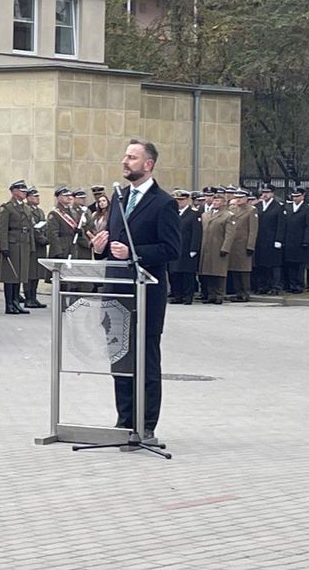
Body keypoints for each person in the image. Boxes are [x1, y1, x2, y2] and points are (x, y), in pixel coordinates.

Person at [91, 139, 181, 440]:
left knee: (145, 359)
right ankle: (124, 420)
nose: (125, 161)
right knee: (120, 359)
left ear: (148, 164)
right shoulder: (119, 198)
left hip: (146, 295)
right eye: (125, 156)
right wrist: (100, 248)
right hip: (116, 293)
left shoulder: (164, 203)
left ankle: (146, 424)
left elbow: (171, 249)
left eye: (132, 157)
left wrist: (132, 252)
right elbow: (113, 244)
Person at [0, 180, 31, 315]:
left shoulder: (25, 207)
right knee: (10, 276)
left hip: (23, 244)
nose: (24, 193)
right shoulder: (7, 208)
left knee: (19, 276)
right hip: (12, 244)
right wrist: (3, 247)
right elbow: (2, 229)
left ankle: (16, 302)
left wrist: (31, 245)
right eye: (22, 191)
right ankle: (9, 304)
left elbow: (29, 229)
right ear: (14, 192)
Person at [198, 190, 233, 304]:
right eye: (214, 200)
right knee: (207, 272)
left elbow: (230, 234)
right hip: (206, 247)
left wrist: (225, 248)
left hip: (218, 247)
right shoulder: (205, 215)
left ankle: (219, 295)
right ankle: (210, 294)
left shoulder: (227, 215)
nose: (215, 202)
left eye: (218, 200)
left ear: (223, 203)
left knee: (219, 273)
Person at [168, 190, 201, 305]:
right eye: (177, 200)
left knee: (187, 274)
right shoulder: (173, 213)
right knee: (174, 273)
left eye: (181, 200)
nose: (178, 202)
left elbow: (196, 232)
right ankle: (178, 296)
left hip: (187, 248)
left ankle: (187, 297)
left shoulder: (193, 213)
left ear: (187, 200)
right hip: (175, 247)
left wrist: (194, 248)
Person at [226, 190, 258, 302]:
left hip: (243, 245)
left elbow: (253, 230)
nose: (238, 199)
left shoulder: (251, 210)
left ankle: (245, 293)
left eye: (241, 197)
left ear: (246, 198)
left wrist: (250, 246)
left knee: (243, 270)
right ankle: (238, 292)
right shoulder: (232, 209)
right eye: (237, 197)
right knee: (234, 269)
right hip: (233, 245)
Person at [252, 184, 285, 295]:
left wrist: (279, 240)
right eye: (263, 192)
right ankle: (263, 286)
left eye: (267, 192)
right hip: (260, 240)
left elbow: (281, 225)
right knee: (261, 264)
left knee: (274, 265)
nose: (264, 194)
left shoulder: (278, 206)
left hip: (272, 240)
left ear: (272, 193)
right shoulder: (258, 206)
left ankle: (276, 286)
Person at [24, 187, 48, 309]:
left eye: (38, 196)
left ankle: (34, 297)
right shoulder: (27, 210)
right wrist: (43, 239)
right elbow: (33, 229)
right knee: (30, 273)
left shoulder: (40, 211)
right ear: (28, 198)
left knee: (37, 273)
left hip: (40, 246)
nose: (37, 198)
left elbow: (44, 226)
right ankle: (28, 298)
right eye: (34, 196)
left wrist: (45, 237)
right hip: (32, 244)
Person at [283, 188, 309, 294]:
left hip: (300, 241)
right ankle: (291, 284)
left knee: (299, 265)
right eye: (294, 196)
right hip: (289, 240)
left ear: (303, 196)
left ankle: (299, 285)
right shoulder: (288, 207)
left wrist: (306, 240)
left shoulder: (307, 208)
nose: (295, 198)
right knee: (290, 264)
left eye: (298, 196)